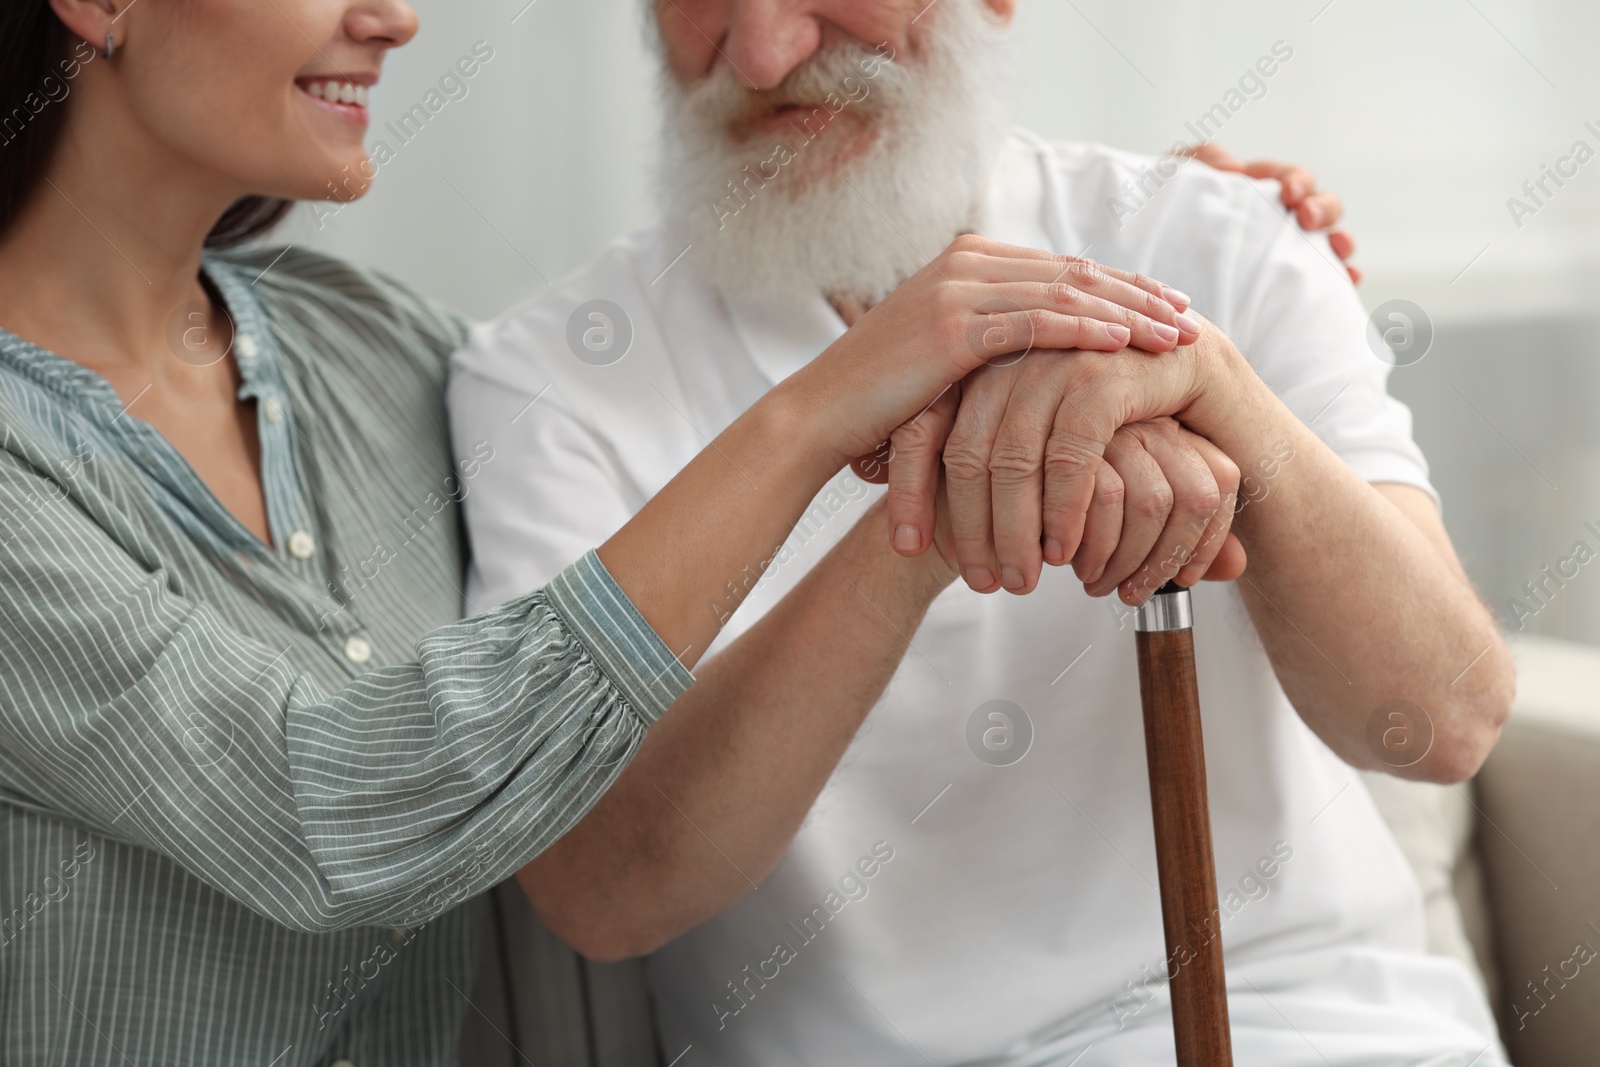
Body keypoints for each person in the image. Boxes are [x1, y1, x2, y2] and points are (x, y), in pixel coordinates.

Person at [0, 0, 1219, 1063]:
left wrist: (1140, 261)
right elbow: (329, 811)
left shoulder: (372, 344)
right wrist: (813, 408)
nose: (396, 16)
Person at [449, 0, 1516, 1064]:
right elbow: (603, 895)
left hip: (1332, 1033)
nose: (764, 51)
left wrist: (1220, 392)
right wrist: (941, 507)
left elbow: (1442, 719)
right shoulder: (546, 379)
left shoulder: (1217, 234)